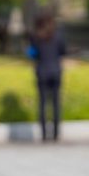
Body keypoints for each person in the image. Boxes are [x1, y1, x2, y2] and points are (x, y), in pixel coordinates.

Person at [27, 8, 67, 141]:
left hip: (42, 71)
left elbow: (32, 54)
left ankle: (44, 134)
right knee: (56, 104)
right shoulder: (58, 35)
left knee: (42, 104)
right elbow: (63, 51)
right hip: (56, 71)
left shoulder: (35, 36)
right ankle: (55, 134)